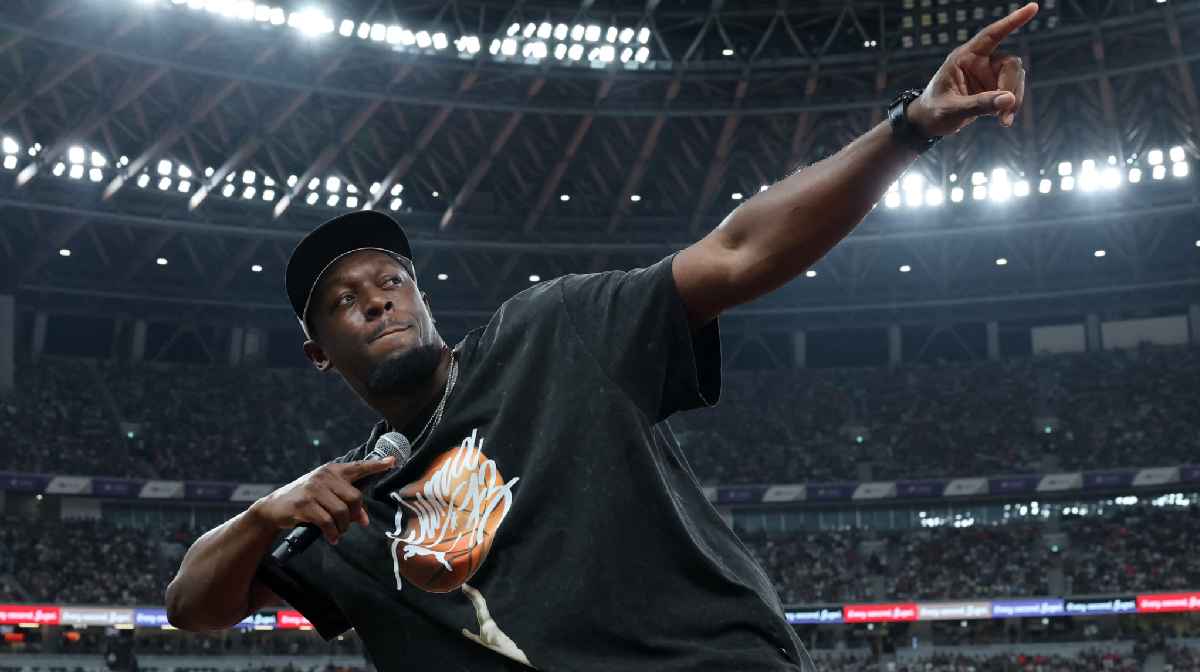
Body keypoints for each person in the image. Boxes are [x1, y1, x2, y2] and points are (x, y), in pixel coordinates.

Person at [164, 4, 1034, 669]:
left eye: (392, 281)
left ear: (423, 298)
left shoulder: (551, 331)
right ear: (319, 352)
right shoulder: (346, 507)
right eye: (343, 301)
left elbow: (738, 252)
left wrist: (909, 129)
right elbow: (192, 605)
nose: (376, 303)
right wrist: (264, 513)